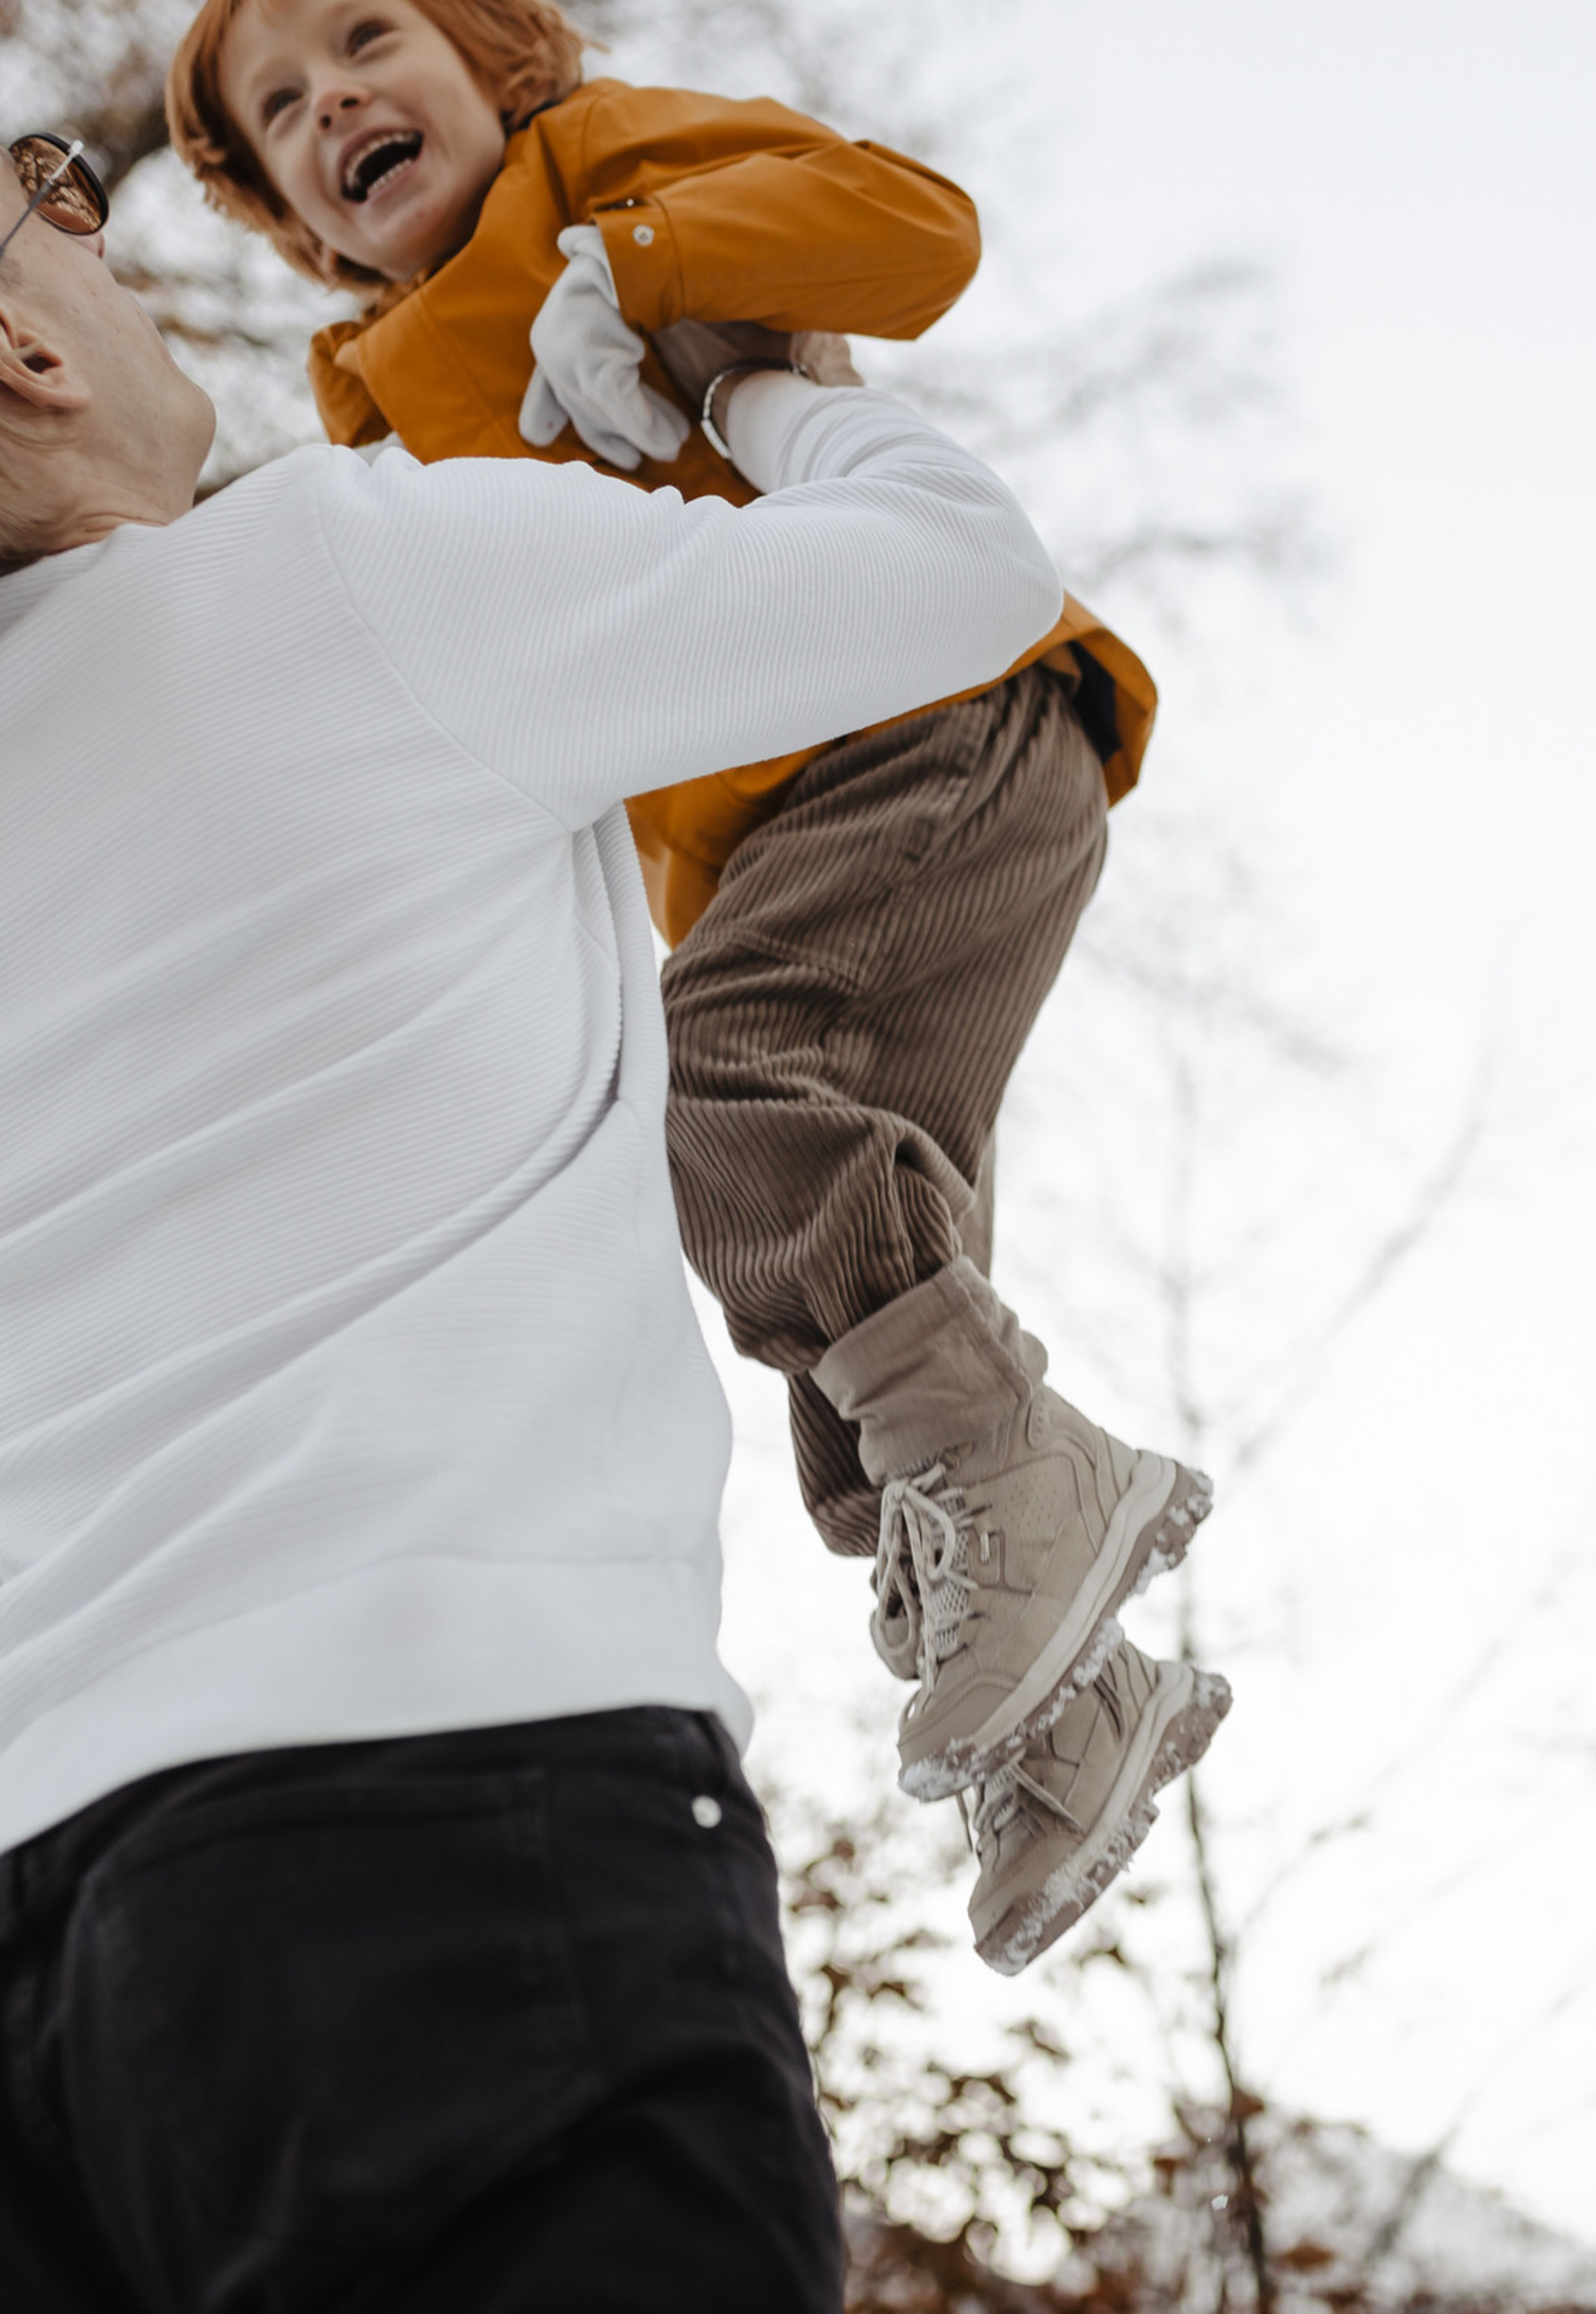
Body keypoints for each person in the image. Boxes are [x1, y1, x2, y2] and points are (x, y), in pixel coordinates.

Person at [0, 127, 1056, 2307]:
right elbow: (957, 573)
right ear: (21, 347)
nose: (94, 230)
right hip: (434, 1815)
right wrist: (742, 385)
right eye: (49, 190)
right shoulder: (329, 573)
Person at [165, 0, 1229, 1977]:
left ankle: (1033, 1477)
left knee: (735, 1083)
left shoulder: (606, 168)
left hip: (928, 721)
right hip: (776, 853)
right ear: (279, 209)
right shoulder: (363, 402)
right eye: (279, 112)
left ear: (495, 57)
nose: (335, 107)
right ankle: (1070, 1691)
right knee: (815, 1284)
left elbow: (912, 232)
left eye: (366, 44)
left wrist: (645, 273)